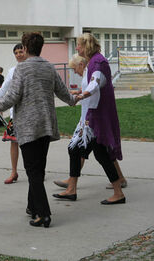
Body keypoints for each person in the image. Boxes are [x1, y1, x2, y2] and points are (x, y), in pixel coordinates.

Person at [0, 32, 78, 228]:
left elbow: (10, 98)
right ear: (41, 47)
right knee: (38, 169)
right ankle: (33, 207)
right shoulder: (49, 67)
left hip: (29, 126)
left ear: (25, 47)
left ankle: (43, 214)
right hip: (46, 125)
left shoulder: (21, 69)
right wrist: (75, 99)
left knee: (33, 171)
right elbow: (64, 93)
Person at [52, 33, 126, 205]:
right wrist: (80, 93)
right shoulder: (93, 62)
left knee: (101, 154)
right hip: (88, 117)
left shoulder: (98, 61)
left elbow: (96, 83)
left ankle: (118, 192)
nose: (77, 48)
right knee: (75, 150)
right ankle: (71, 189)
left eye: (78, 45)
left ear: (86, 45)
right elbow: (91, 85)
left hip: (95, 118)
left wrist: (81, 95)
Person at [0, 43, 26, 184]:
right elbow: (3, 90)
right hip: (15, 113)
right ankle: (14, 171)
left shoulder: (33, 68)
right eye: (16, 52)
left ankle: (36, 170)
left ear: (26, 51)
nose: (18, 55)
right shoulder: (12, 71)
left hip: (30, 114)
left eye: (21, 51)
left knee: (32, 144)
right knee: (14, 143)